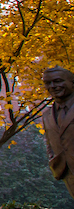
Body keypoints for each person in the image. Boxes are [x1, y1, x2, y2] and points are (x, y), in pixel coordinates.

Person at [41, 66, 74, 200]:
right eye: (48, 83)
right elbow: (50, 141)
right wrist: (53, 159)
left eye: (58, 81)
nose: (53, 86)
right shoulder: (47, 115)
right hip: (68, 173)